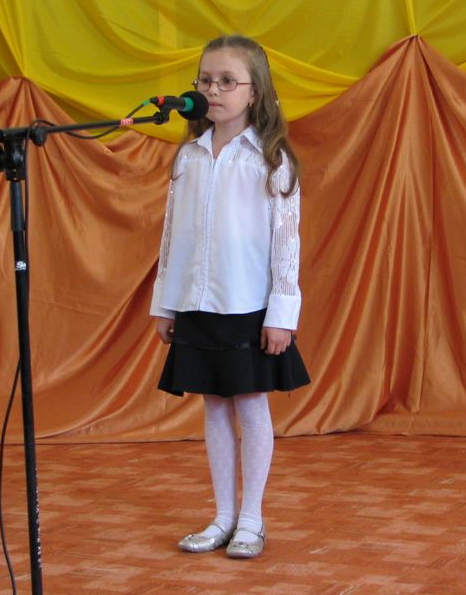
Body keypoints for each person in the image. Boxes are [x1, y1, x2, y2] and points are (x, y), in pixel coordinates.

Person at [150, 34, 310, 559]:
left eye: (226, 81)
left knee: (250, 405)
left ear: (254, 92)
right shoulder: (189, 157)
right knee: (214, 405)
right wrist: (165, 303)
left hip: (248, 305)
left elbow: (286, 243)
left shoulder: (271, 159)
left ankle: (252, 519)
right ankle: (222, 516)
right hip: (197, 303)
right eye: (205, 80)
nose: (213, 90)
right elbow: (173, 235)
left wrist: (281, 313)